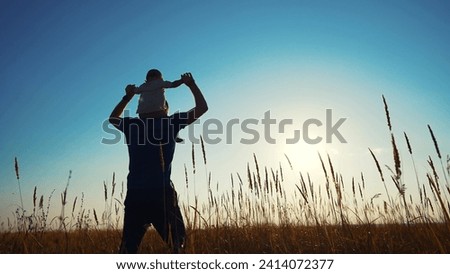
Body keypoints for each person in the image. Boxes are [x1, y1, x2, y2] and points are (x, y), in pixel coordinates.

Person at [109, 72, 208, 253]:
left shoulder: (133, 125)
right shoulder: (171, 123)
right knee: (178, 248)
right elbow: (202, 108)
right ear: (165, 107)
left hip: (136, 195)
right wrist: (190, 83)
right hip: (162, 194)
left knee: (127, 250)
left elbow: (113, 119)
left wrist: (127, 97)